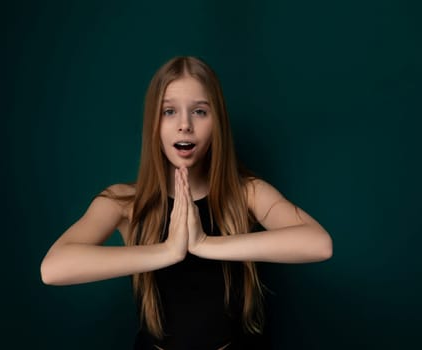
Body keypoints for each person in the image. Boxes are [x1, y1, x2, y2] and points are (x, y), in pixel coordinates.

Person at [40, 56, 333, 349]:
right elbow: (53, 268)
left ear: (217, 121)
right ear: (153, 123)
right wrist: (168, 251)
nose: (185, 125)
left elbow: (318, 244)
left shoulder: (247, 193)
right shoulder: (124, 202)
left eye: (200, 111)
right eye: (169, 111)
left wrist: (204, 243)